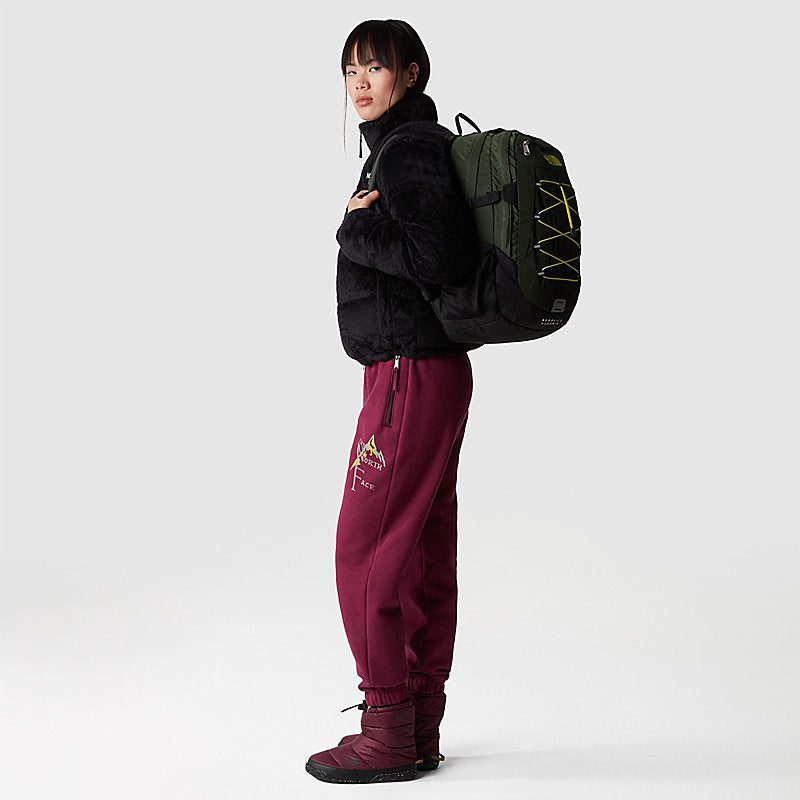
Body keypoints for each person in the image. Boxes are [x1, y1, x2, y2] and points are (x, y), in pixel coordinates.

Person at [305, 19, 483, 785]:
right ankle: (418, 726)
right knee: (419, 549)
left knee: (366, 550)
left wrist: (354, 232)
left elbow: (437, 255)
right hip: (427, 371)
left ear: (410, 74)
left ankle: (385, 732)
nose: (360, 83)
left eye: (375, 67)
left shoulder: (407, 149)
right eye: (350, 70)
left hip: (409, 373)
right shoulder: (405, 147)